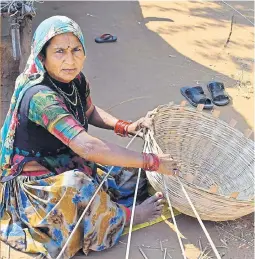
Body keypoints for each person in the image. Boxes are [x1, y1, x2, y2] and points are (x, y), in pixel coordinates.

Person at [0, 16, 178, 258]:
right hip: (37, 185)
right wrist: (151, 161)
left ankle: (107, 205)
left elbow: (89, 110)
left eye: (76, 50)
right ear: (42, 56)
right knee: (78, 185)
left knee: (130, 174)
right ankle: (126, 217)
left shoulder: (75, 80)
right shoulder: (41, 97)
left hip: (66, 159)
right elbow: (86, 146)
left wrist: (126, 126)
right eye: (59, 52)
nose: (70, 60)